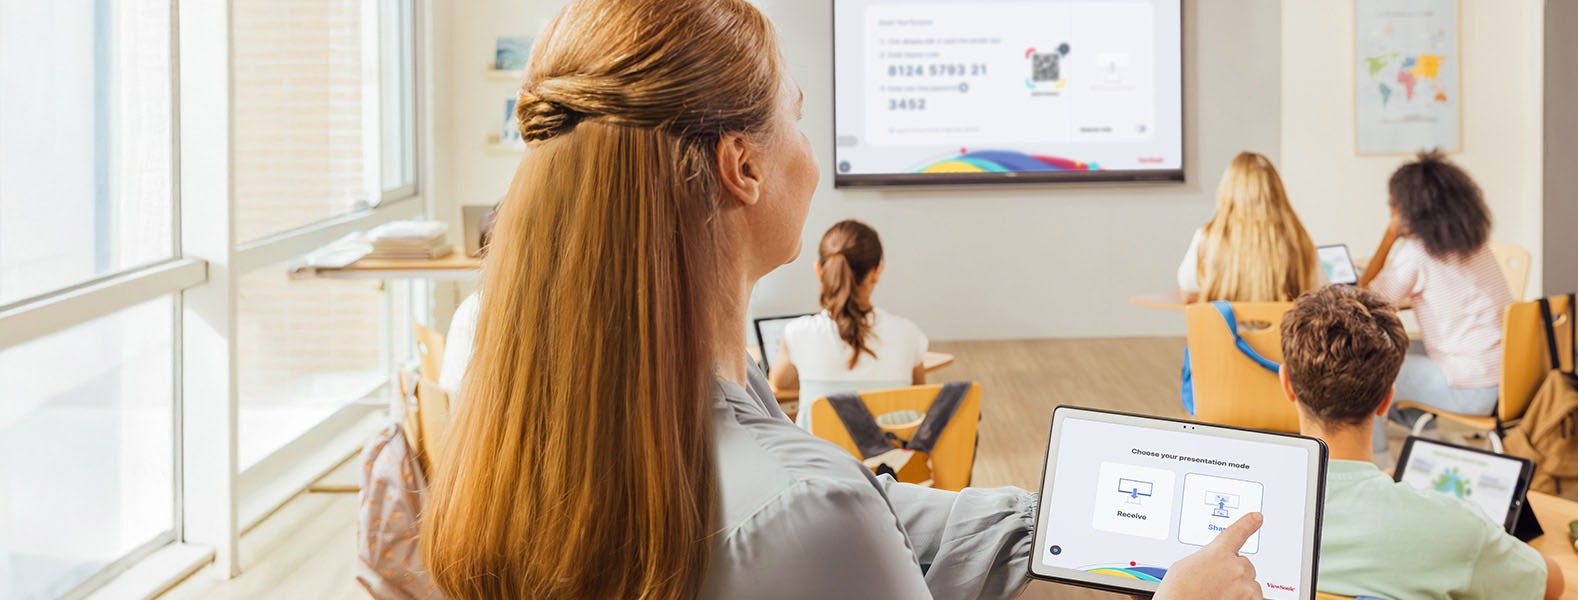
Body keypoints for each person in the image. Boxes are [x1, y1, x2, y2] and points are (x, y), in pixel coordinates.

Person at [419, 1, 1266, 598]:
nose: (811, 149)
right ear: (742, 165)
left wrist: (1084, 531)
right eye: (796, 115)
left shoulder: (556, 423)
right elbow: (839, 517)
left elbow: (882, 513)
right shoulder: (806, 509)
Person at [1278, 284, 1563, 600]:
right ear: (1387, 400)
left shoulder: (1238, 511)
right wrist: (1488, 541)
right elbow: (1549, 586)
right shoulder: (1456, 528)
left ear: (1287, 384)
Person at [1367, 150, 1513, 453]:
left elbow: (1366, 304)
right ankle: (1428, 442)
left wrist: (1389, 237)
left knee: (1363, 368)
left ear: (1408, 210)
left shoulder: (1418, 254)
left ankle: (1377, 464)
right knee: (1398, 349)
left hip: (1472, 390)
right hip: (1508, 378)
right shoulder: (1477, 246)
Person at [767, 219, 929, 431]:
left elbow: (779, 384)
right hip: (896, 463)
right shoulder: (907, 334)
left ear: (819, 270)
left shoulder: (797, 333)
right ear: (876, 272)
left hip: (821, 463)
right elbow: (918, 394)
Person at [1176, 151, 1323, 303]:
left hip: (1225, 327)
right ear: (1277, 192)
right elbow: (1318, 293)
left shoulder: (1208, 237)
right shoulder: (1298, 239)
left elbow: (1187, 294)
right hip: (1282, 327)